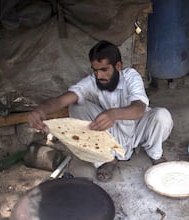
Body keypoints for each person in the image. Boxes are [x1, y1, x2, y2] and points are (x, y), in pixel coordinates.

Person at [27, 40, 173, 182]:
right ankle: (107, 159)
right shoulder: (91, 82)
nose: (99, 76)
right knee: (77, 107)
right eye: (95, 70)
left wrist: (113, 114)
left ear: (118, 66)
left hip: (138, 128)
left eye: (104, 70)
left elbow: (139, 109)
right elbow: (60, 101)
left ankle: (155, 154)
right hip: (110, 131)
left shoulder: (130, 76)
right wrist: (40, 110)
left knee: (162, 115)